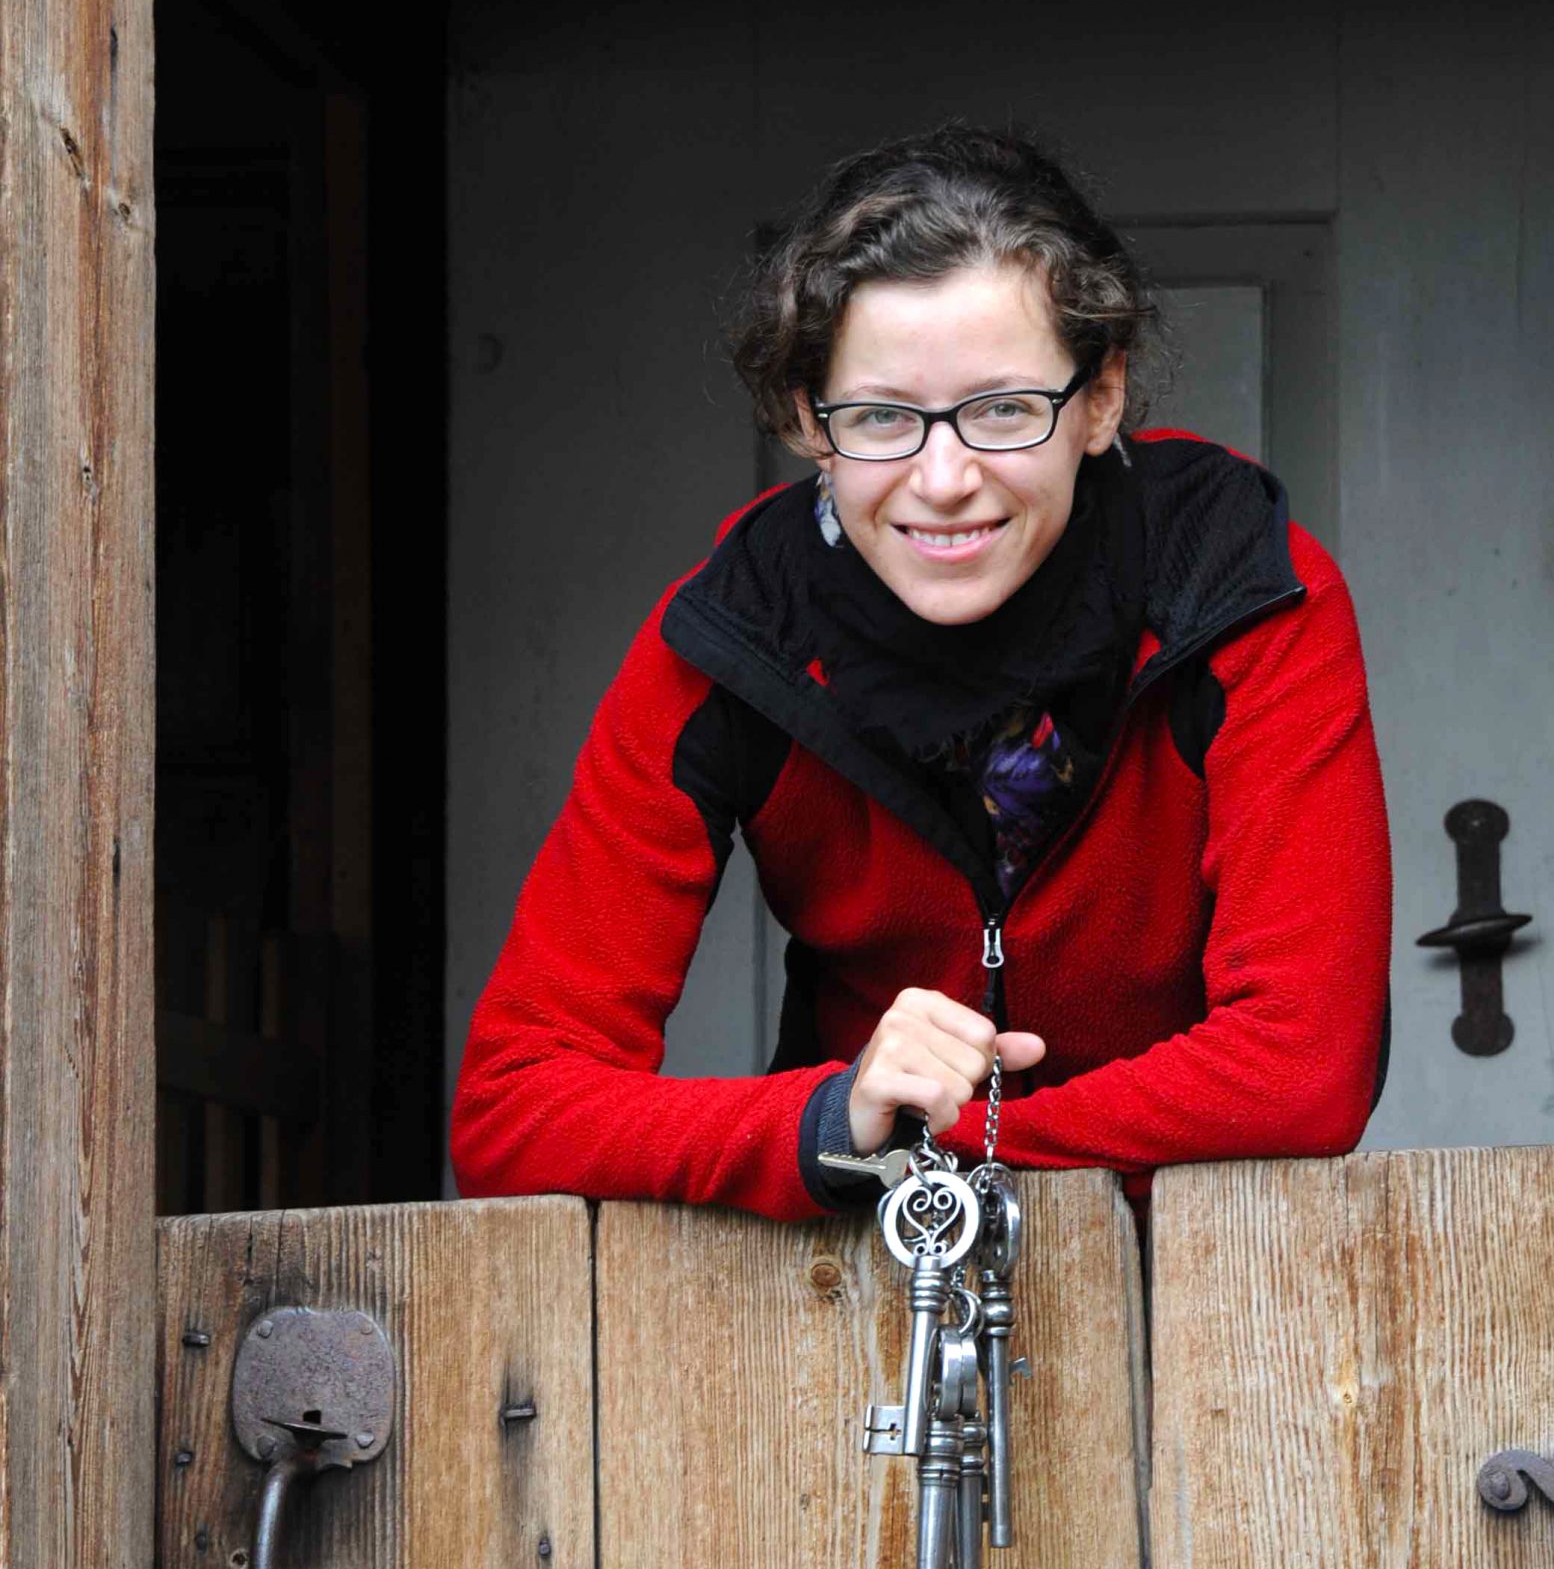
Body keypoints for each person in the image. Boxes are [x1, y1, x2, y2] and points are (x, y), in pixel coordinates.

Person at [450, 125, 1391, 1235]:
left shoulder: (1237, 586)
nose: (943, 480)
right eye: (883, 417)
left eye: (1003, 409)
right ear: (809, 420)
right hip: (853, 1275)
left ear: (1098, 399)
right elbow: (512, 1106)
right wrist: (827, 1119)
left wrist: (947, 1143)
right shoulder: (728, 637)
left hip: (1201, 1265)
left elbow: (1301, 1066)